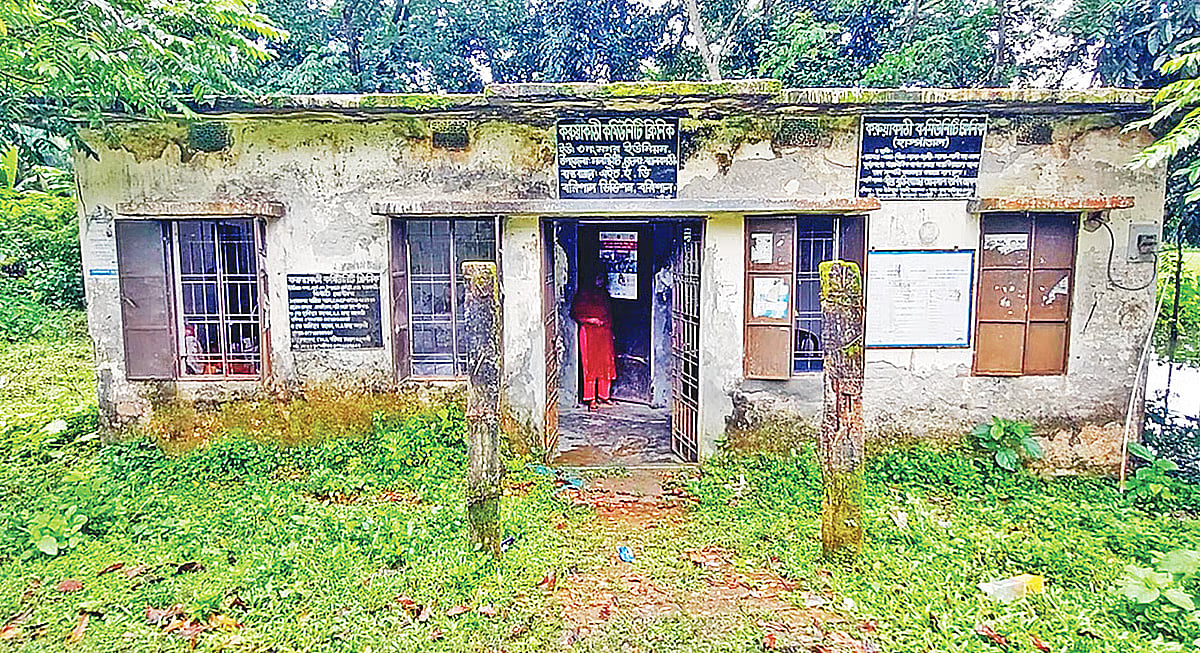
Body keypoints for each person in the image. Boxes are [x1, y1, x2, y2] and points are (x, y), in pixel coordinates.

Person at [571, 272, 617, 411]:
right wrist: (591, 320)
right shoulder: (583, 295)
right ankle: (590, 398)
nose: (600, 281)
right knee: (589, 366)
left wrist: (610, 330)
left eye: (602, 279)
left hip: (604, 333)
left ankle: (604, 395)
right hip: (589, 333)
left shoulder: (604, 295)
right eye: (598, 278)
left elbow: (609, 313)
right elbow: (575, 313)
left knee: (606, 363)